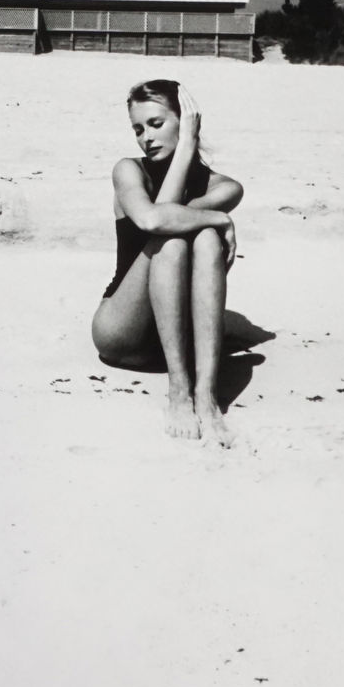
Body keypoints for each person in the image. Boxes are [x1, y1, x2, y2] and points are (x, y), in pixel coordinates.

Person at [92, 80, 245, 444]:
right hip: (122, 329)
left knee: (203, 239)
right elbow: (152, 219)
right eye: (138, 129)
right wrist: (220, 218)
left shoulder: (224, 186)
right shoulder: (129, 171)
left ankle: (205, 394)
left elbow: (168, 212)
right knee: (172, 241)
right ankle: (179, 390)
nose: (146, 137)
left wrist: (211, 220)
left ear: (185, 119)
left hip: (177, 339)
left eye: (157, 124)